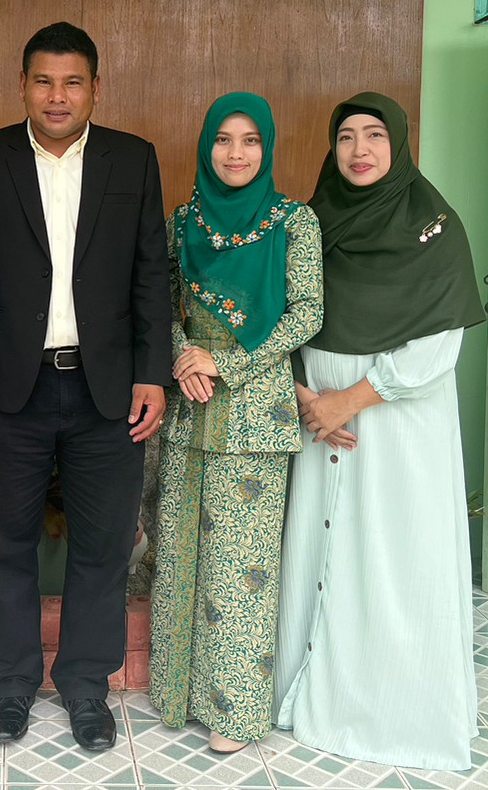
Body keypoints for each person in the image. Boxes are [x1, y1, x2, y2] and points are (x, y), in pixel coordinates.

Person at [0, 21, 169, 751]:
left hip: (107, 389)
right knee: (2, 544)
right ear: (22, 86)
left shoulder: (132, 159)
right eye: (43, 81)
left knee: (102, 546)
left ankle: (85, 687)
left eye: (72, 82)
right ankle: (10, 686)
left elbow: (149, 275)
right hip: (12, 388)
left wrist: (151, 372)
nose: (57, 95)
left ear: (95, 87)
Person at [274, 93, 485, 771]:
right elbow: (284, 313)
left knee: (396, 559)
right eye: (345, 137)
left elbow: (438, 346)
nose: (359, 149)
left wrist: (350, 401)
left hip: (397, 431)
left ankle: (394, 711)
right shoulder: (312, 222)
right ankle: (311, 693)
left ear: (398, 144)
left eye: (374, 135)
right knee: (324, 554)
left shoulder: (434, 227)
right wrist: (306, 396)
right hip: (319, 423)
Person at [148, 93, 323, 753]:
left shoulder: (292, 222)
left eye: (250, 140)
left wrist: (225, 361)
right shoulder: (183, 221)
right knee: (180, 558)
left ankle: (235, 713)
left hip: (254, 412)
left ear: (266, 147)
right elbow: (161, 301)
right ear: (206, 146)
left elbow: (306, 312)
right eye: (223, 139)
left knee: (240, 569)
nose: (235, 152)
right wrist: (182, 356)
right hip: (191, 405)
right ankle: (177, 694)